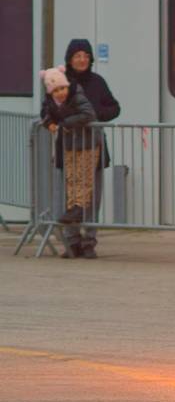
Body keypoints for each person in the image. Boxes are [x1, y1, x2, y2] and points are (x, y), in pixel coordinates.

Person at [58, 39, 121, 259]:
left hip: (94, 146)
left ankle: (88, 242)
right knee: (70, 194)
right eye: (77, 56)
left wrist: (94, 116)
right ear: (70, 59)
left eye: (86, 56)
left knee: (92, 197)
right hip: (68, 147)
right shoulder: (61, 81)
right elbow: (49, 108)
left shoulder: (97, 82)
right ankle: (71, 241)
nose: (82, 60)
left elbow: (114, 107)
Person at [39, 66, 99, 259]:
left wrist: (65, 123)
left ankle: (79, 206)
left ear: (67, 86)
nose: (60, 93)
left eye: (62, 88)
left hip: (88, 143)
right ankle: (73, 208)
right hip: (69, 145)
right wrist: (49, 123)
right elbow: (45, 114)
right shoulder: (51, 101)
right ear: (51, 92)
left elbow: (89, 114)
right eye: (56, 90)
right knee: (71, 177)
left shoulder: (77, 95)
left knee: (84, 177)